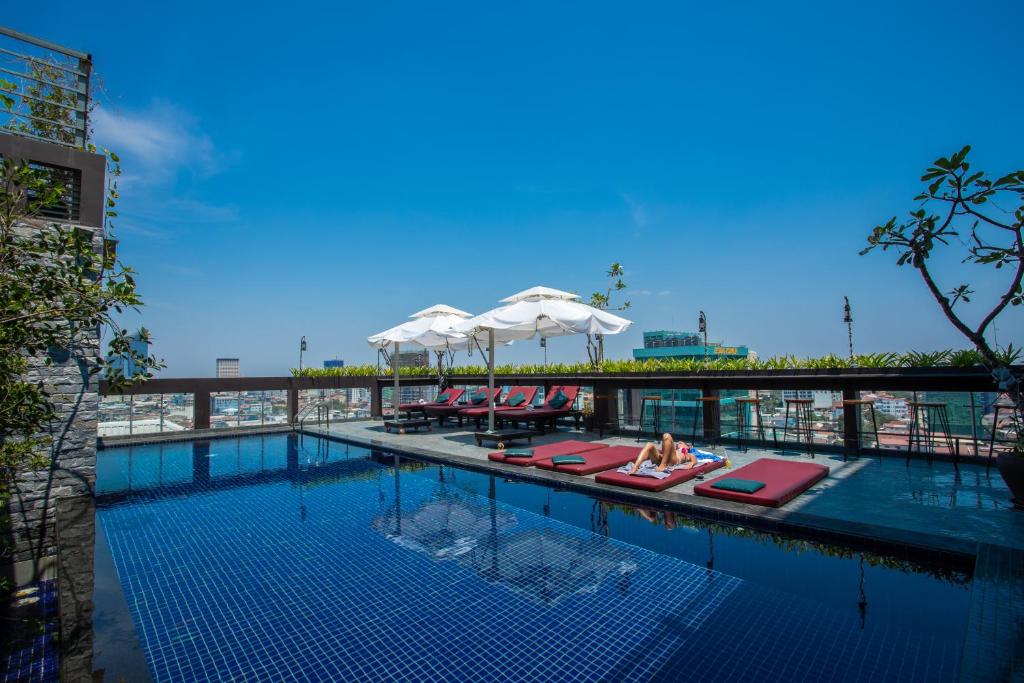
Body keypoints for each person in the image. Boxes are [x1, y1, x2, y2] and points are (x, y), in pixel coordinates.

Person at [627, 433, 697, 474]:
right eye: (677, 443)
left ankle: (663, 465)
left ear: (688, 446)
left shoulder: (686, 453)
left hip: (672, 460)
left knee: (667, 435)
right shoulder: (674, 449)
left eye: (680, 443)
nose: (677, 444)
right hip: (661, 459)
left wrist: (692, 463)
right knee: (649, 445)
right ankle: (635, 467)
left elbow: (694, 458)